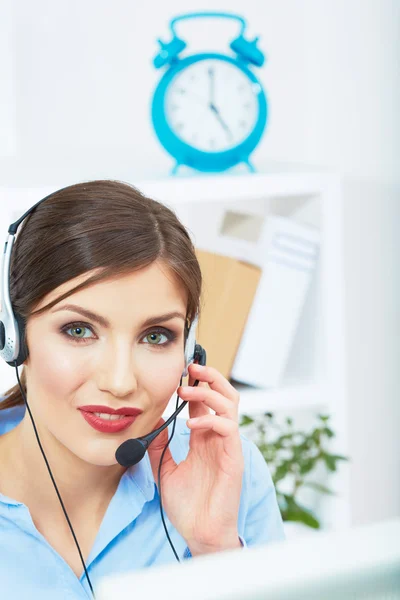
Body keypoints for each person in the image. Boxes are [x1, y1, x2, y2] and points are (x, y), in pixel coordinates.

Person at [0, 180, 285, 599]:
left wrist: (215, 552)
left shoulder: (231, 477)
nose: (119, 382)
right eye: (79, 330)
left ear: (189, 351)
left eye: (155, 336)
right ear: (14, 337)